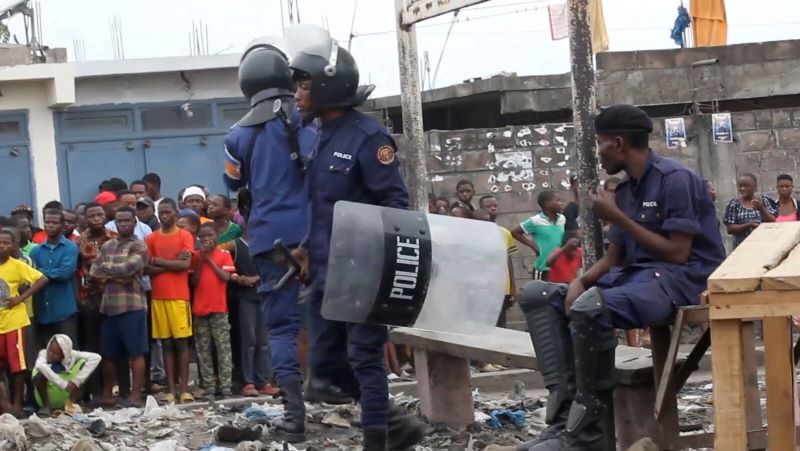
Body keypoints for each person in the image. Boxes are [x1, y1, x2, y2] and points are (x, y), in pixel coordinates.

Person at [517, 105, 725, 451]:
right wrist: (580, 282)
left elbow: (677, 253)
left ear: (618, 143)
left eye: (599, 144)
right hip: (640, 276)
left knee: (590, 309)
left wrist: (616, 217)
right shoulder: (626, 190)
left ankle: (587, 437)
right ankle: (562, 423)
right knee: (539, 296)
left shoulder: (675, 180)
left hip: (684, 278)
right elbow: (616, 258)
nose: (597, 154)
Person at [290, 32, 425, 451]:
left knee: (365, 356)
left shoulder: (368, 138)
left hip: (364, 270)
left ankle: (378, 440)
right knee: (325, 367)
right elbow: (323, 204)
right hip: (326, 270)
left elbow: (395, 202)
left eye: (304, 84)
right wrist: (306, 248)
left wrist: (381, 269)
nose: (297, 94)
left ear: (329, 85)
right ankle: (398, 424)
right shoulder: (320, 137)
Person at [222, 40, 311, 442]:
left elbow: (232, 181)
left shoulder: (236, 135)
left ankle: (294, 417)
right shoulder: (307, 120)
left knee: (280, 329)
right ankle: (371, 406)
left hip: (267, 242)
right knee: (337, 317)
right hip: (316, 235)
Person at [90, 207, 148, 408]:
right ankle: (107, 394)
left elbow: (129, 269)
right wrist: (119, 274)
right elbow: (94, 271)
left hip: (132, 306)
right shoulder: (107, 245)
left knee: (136, 352)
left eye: (127, 221)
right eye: (119, 221)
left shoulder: (139, 246)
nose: (123, 224)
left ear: (134, 222)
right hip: (109, 307)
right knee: (109, 354)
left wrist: (111, 271)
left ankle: (135, 395)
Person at [144, 199, 194, 404]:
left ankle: (184, 389)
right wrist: (173, 264)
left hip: (179, 297)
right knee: (166, 344)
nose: (164, 216)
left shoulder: (185, 235)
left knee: (182, 343)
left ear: (176, 213)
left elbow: (185, 265)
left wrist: (159, 262)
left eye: (168, 212)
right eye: (161, 212)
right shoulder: (151, 238)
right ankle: (171, 390)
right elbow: (146, 268)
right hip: (158, 297)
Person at [74, 202, 115, 401]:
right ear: (86, 218)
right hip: (89, 298)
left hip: (113, 297)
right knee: (90, 345)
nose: (96, 218)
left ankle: (114, 389)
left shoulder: (114, 239)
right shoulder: (78, 241)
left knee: (112, 344)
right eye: (92, 216)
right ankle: (92, 391)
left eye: (99, 214)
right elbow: (75, 272)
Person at [190, 223, 235, 399]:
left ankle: (226, 387)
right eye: (203, 236)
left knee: (223, 349)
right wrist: (201, 260)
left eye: (210, 235)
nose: (207, 239)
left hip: (219, 308)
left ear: (217, 235)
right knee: (203, 349)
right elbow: (193, 281)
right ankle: (208, 386)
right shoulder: (195, 256)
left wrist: (209, 259)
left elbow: (225, 278)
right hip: (200, 309)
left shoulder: (224, 254)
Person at [229, 234, 278, 397]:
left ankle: (263, 381)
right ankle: (248, 381)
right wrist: (238, 278)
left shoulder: (267, 242)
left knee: (264, 342)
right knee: (249, 341)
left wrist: (256, 278)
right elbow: (225, 266)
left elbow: (275, 268)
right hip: (246, 296)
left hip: (264, 295)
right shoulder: (236, 245)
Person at [30, 210, 79, 349]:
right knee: (46, 354)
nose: (50, 225)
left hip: (64, 310)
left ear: (63, 225)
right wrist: (42, 274)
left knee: (70, 352)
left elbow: (64, 273)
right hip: (42, 311)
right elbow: (31, 276)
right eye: (47, 222)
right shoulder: (36, 251)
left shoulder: (70, 247)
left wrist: (40, 273)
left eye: (55, 222)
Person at [33, 334, 101, 415]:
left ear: (64, 355)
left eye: (56, 353)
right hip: (50, 394)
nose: (51, 354)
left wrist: (77, 381)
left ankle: (72, 403)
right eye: (50, 350)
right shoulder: (43, 353)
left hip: (68, 392)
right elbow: (39, 365)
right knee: (40, 374)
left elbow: (96, 357)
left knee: (82, 363)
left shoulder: (72, 355)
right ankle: (46, 406)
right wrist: (63, 384)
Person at [472, 208, 517, 330]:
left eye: (489, 221)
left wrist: (513, 287)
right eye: (482, 222)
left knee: (500, 324)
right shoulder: (469, 236)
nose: (487, 225)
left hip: (500, 287)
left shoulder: (504, 233)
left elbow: (509, 261)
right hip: (479, 287)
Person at [511, 191, 566, 281]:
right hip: (543, 268)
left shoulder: (562, 219)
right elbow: (515, 232)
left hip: (559, 267)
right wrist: (533, 245)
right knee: (541, 293)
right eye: (558, 200)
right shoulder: (536, 220)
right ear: (547, 204)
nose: (561, 203)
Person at [723, 173, 776, 248]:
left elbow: (773, 221)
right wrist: (748, 225)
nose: (742, 189)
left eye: (746, 186)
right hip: (742, 246)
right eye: (740, 186)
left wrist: (761, 209)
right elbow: (730, 229)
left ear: (755, 186)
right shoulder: (734, 204)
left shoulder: (764, 200)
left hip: (764, 245)